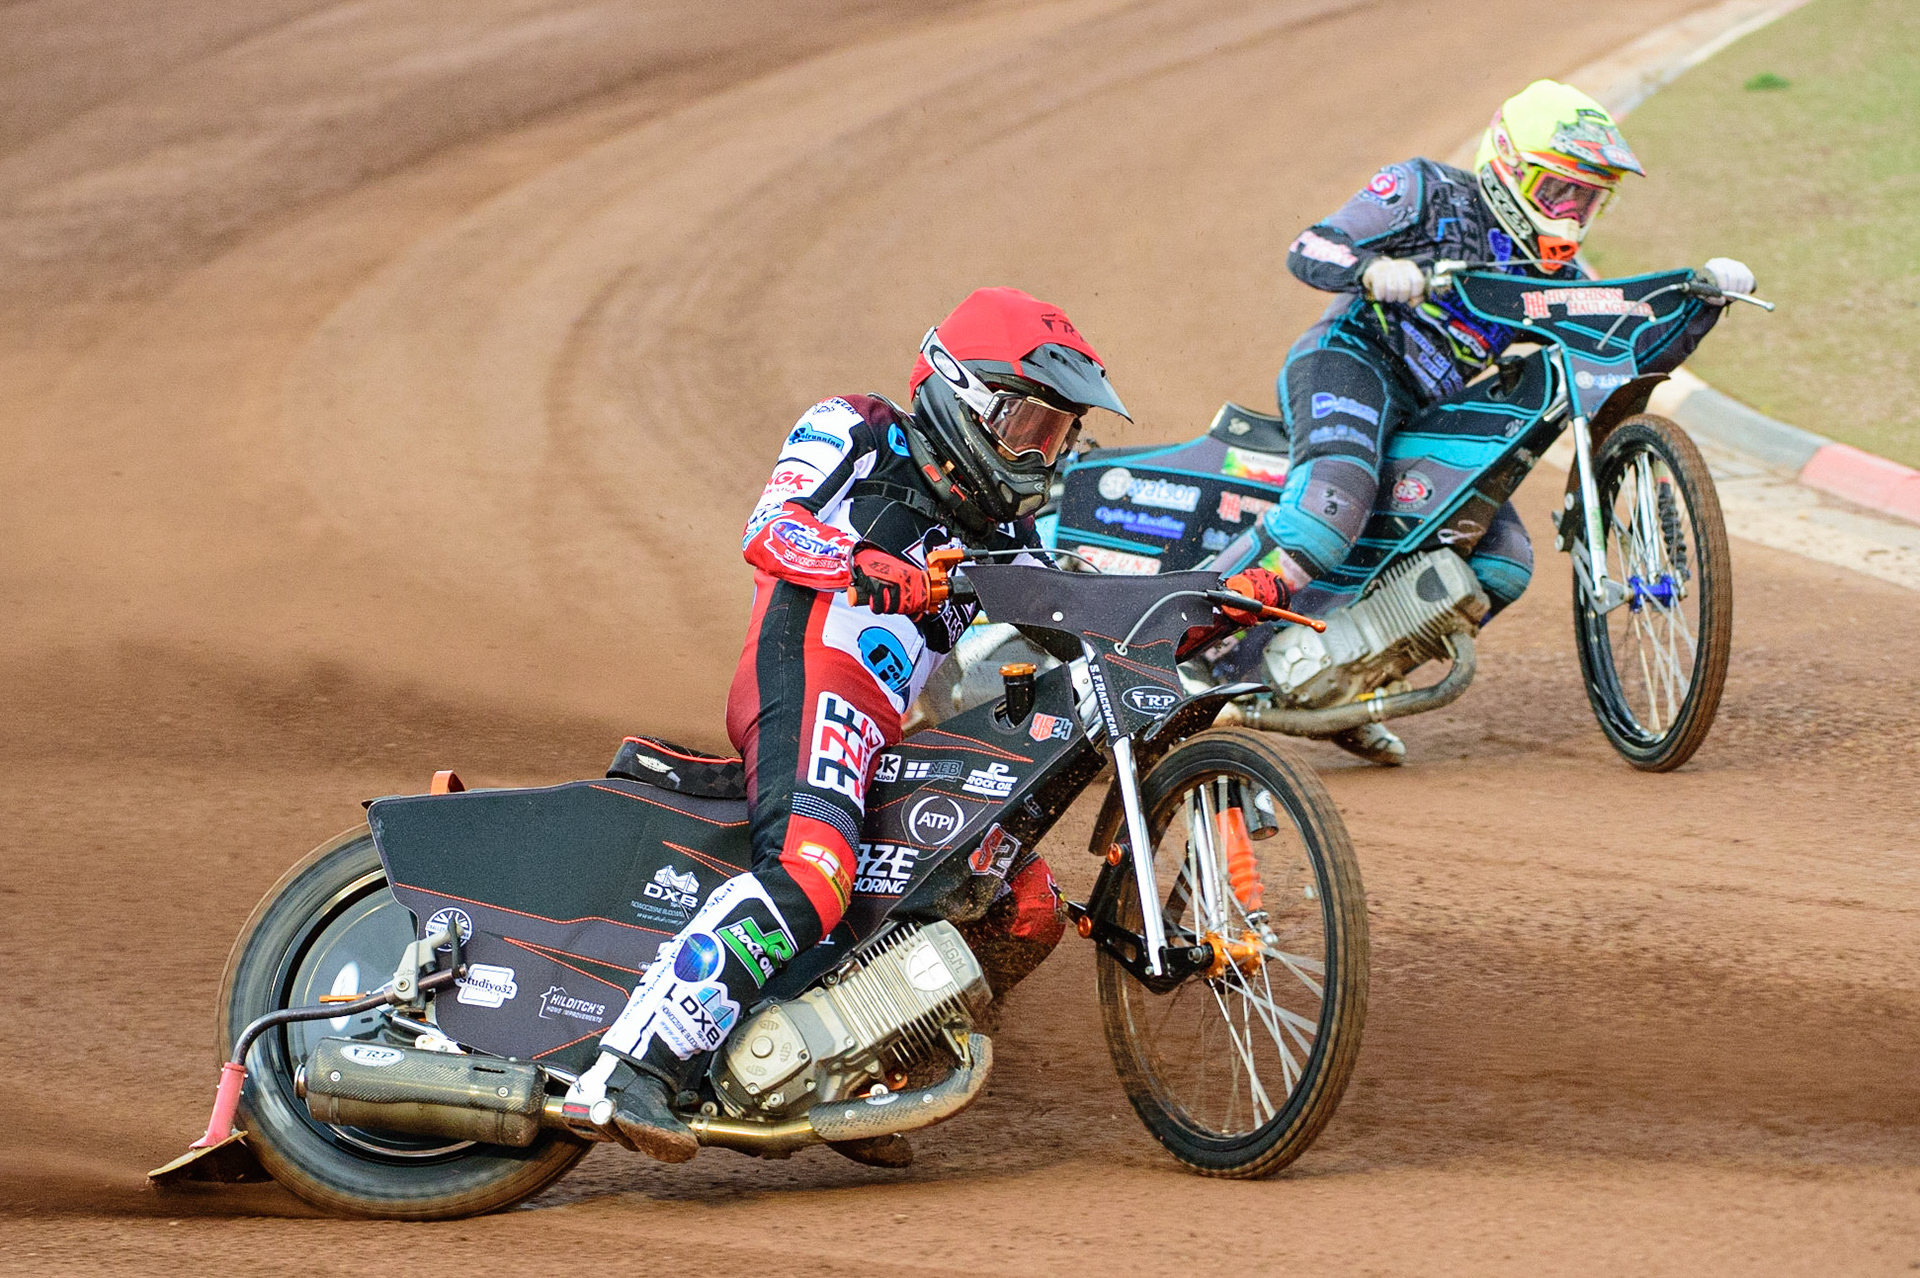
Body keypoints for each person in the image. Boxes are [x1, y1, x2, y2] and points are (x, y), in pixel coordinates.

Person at [564, 286, 1286, 1162]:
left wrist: (1212, 604)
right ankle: (632, 1067)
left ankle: (854, 1068)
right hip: (808, 678)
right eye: (1028, 425)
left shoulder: (1003, 528)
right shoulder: (858, 429)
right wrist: (868, 563)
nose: (1040, 451)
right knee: (812, 875)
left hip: (887, 726)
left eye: (1058, 434)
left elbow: (1084, 611)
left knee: (1020, 908)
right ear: (962, 395)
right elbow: (768, 530)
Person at [1217, 79, 1755, 766]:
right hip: (1348, 360)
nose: (1572, 213)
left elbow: (1621, 358)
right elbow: (1310, 248)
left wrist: (1703, 304)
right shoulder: (1424, 190)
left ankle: (1340, 695)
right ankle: (1175, 644)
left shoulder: (1554, 272)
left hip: (1426, 411)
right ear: (1508, 166)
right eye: (1560, 191)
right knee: (1327, 515)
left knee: (1502, 565)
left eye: (1587, 198)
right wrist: (1375, 269)